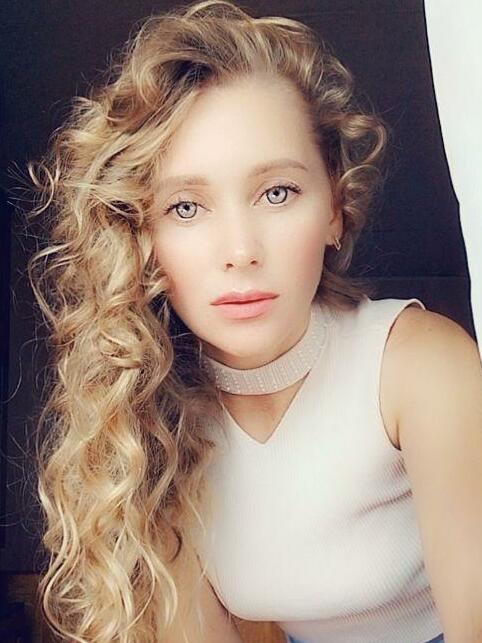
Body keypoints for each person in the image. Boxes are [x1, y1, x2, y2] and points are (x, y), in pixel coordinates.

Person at [25, 1, 482, 642]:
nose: (239, 250)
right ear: (141, 236)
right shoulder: (147, 419)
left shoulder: (419, 366)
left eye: (277, 193)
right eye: (187, 207)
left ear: (334, 210)